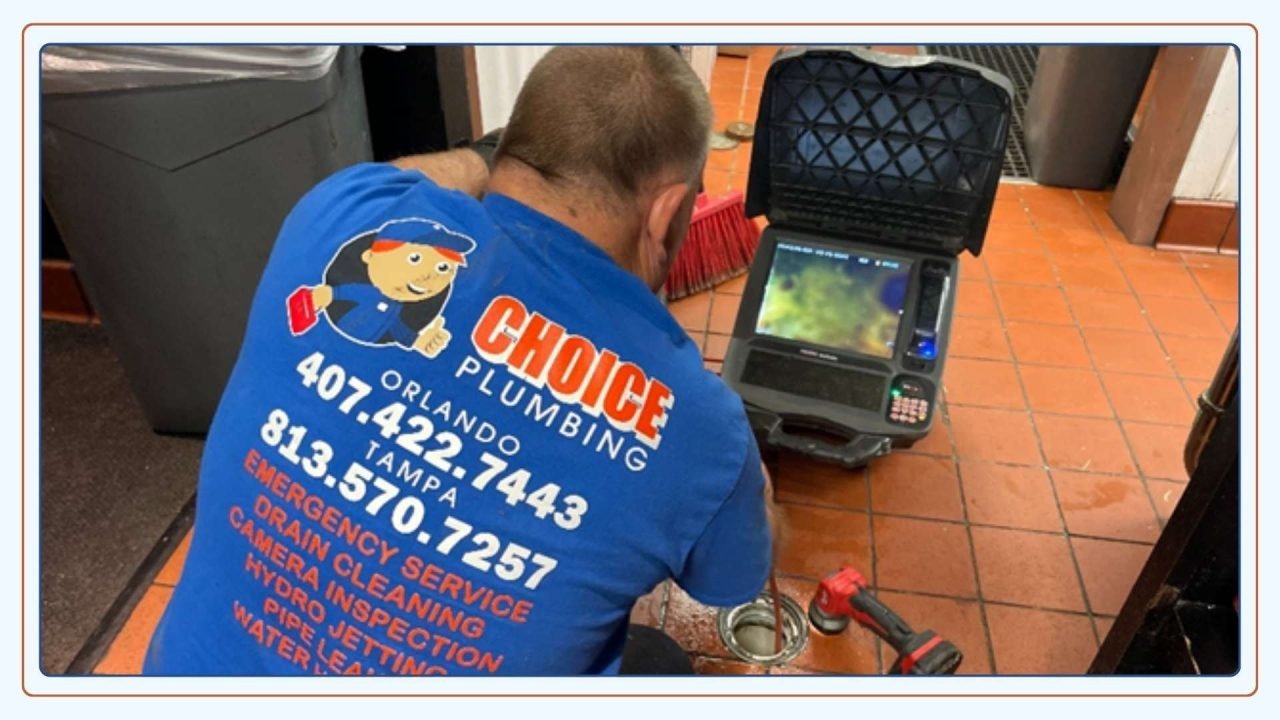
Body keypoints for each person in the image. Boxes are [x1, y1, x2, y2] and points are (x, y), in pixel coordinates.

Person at [143, 45, 777, 677]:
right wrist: (746, 479)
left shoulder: (340, 214)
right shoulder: (697, 427)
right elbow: (741, 573)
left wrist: (485, 155)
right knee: (658, 662)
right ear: (668, 211)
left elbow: (406, 177)